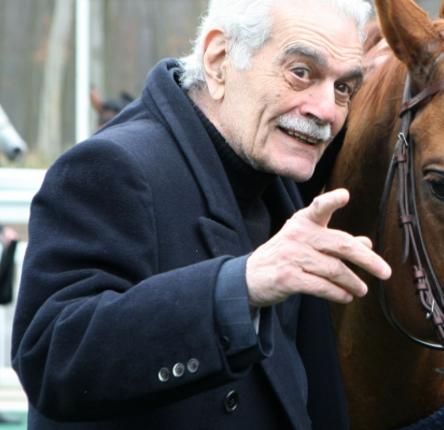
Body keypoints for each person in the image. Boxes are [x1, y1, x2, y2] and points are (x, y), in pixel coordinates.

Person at [11, 1, 392, 428]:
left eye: (344, 88)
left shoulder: (273, 162)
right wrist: (240, 287)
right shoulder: (113, 167)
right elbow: (51, 358)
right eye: (301, 72)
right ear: (218, 60)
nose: (326, 110)